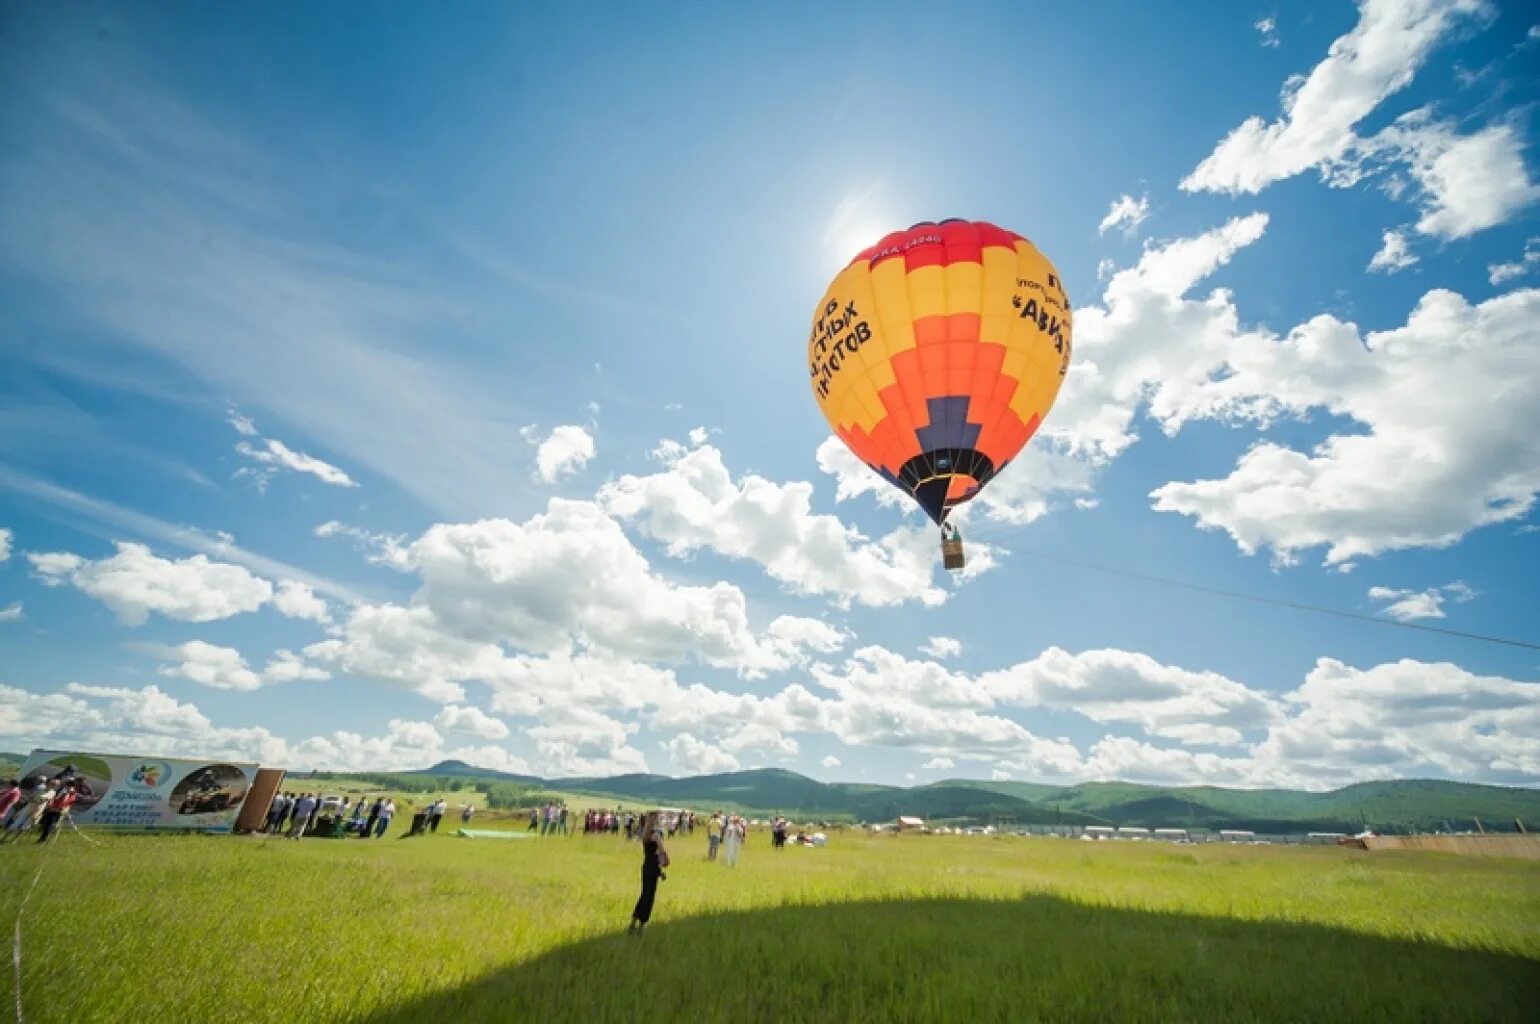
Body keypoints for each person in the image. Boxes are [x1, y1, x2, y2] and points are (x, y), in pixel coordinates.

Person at [627, 811, 668, 937]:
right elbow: (661, 851)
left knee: (644, 894)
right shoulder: (654, 834)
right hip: (652, 866)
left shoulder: (647, 833)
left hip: (648, 866)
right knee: (649, 897)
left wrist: (659, 871)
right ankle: (641, 926)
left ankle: (634, 922)